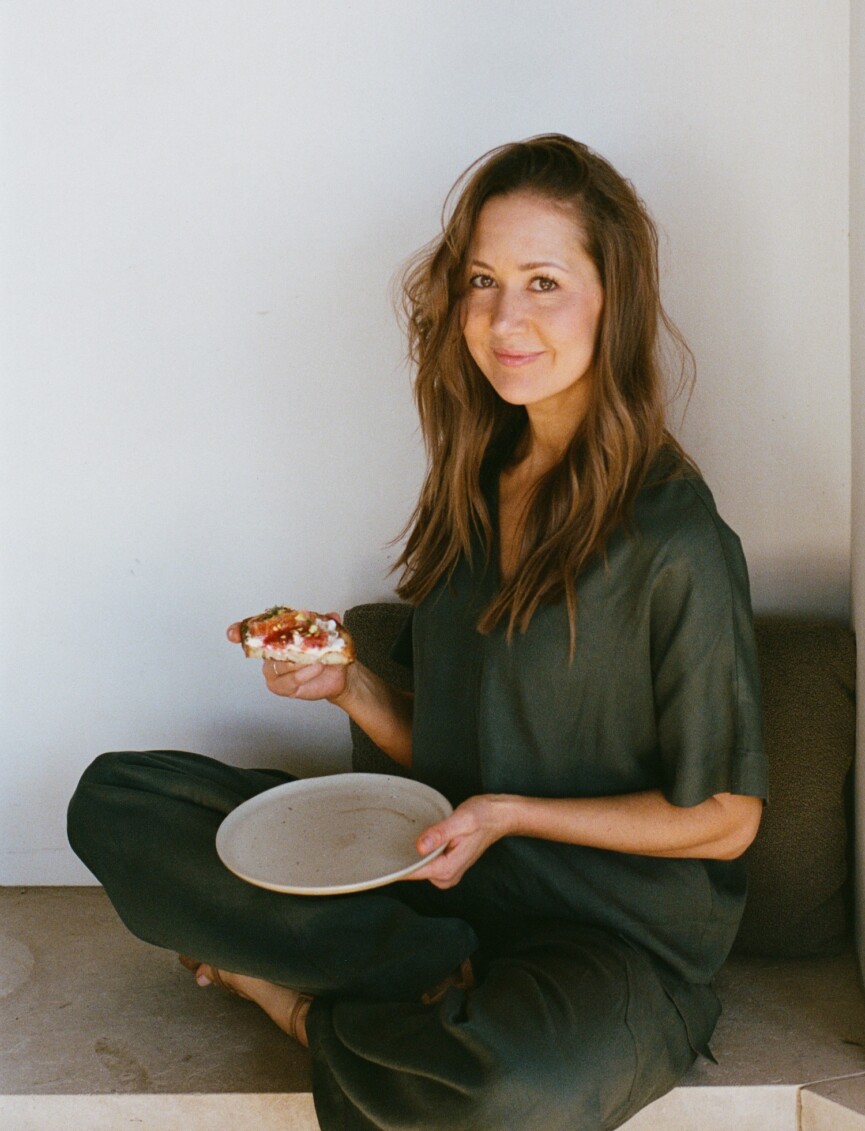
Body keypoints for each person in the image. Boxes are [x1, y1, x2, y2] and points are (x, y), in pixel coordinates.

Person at [68, 134, 766, 1131]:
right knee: (122, 802)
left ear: (612, 301)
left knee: (495, 1088)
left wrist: (511, 816)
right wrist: (344, 682)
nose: (503, 318)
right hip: (445, 891)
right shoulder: (476, 487)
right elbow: (453, 754)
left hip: (613, 947)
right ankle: (418, 975)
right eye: (482, 279)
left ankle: (293, 998)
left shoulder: (675, 536)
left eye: (542, 281)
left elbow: (728, 817)